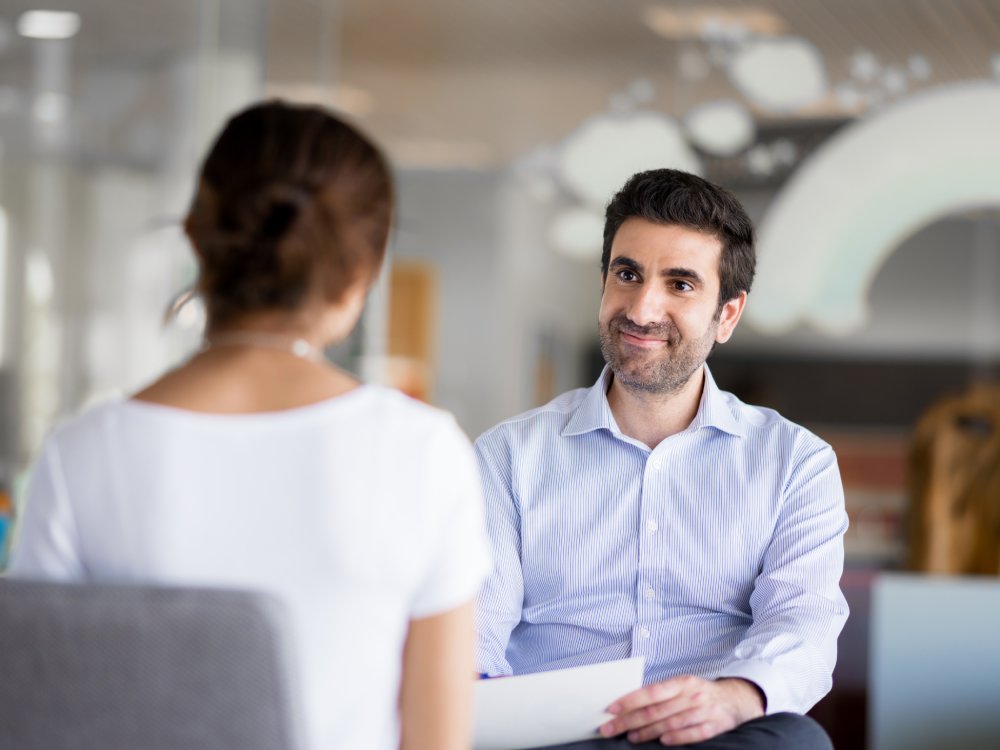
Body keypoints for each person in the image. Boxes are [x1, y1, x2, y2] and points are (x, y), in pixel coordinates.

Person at [10, 101, 491, 750]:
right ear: (361, 274)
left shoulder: (82, 454)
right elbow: (435, 740)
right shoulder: (425, 454)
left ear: (196, 239)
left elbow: (39, 718)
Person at [475, 169, 848, 749]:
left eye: (680, 284)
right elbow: (472, 630)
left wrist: (734, 698)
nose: (643, 309)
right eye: (628, 275)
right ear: (604, 284)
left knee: (797, 741)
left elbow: (803, 622)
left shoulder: (796, 463)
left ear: (727, 314)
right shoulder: (507, 457)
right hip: (558, 736)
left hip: (712, 733)